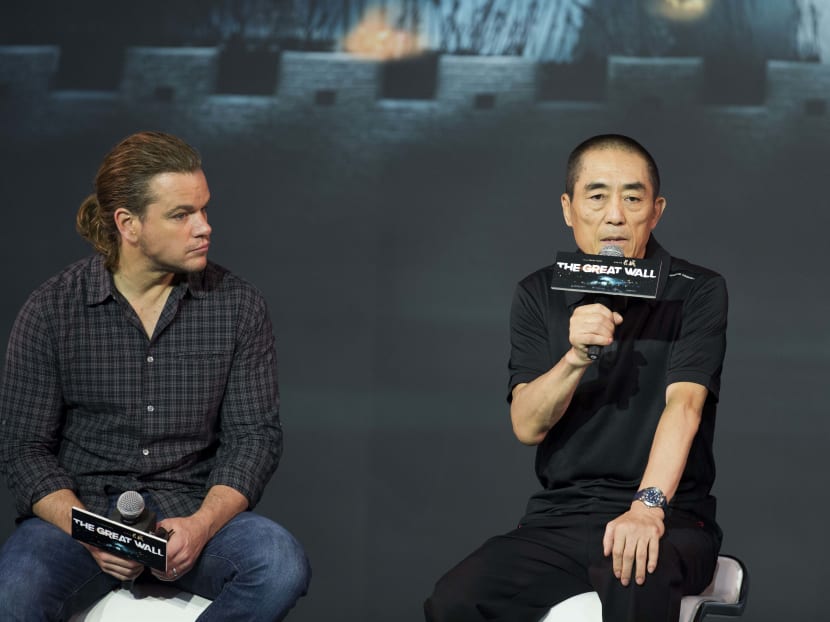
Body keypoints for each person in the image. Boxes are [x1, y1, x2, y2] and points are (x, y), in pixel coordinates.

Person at [0, 131, 310, 621]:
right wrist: (88, 530)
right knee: (12, 592)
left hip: (189, 511)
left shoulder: (237, 305)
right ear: (129, 224)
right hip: (83, 516)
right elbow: (23, 448)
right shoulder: (53, 308)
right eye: (182, 215)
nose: (204, 227)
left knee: (279, 563)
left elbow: (254, 438)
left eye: (204, 210)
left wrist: (202, 525)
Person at [425, 134, 727, 622]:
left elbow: (685, 405)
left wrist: (647, 507)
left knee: (634, 572)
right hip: (560, 518)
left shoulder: (696, 291)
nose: (615, 215)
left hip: (666, 516)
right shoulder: (537, 292)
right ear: (568, 209)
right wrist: (575, 357)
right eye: (597, 196)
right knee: (455, 599)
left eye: (632, 198)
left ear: (656, 210)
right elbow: (527, 426)